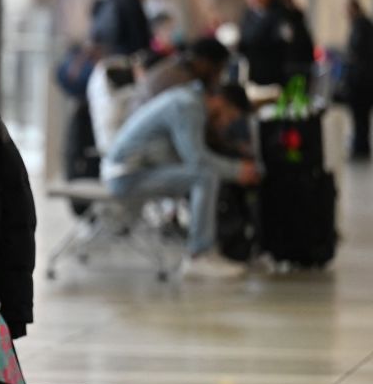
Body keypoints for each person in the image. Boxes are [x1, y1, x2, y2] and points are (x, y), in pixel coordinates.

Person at [102, 82, 260, 279]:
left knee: (204, 175)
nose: (225, 125)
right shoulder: (187, 106)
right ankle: (199, 256)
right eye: (230, 118)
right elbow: (197, 159)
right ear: (221, 102)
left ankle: (205, 250)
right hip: (126, 176)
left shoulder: (185, 99)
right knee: (204, 177)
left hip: (131, 171)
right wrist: (237, 171)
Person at [239, 0, 315, 86]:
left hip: (279, 79)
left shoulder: (284, 15)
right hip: (254, 77)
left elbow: (293, 48)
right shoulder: (249, 15)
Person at [345, 0, 373, 160]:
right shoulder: (367, 25)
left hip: (362, 84)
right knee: (363, 119)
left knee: (361, 118)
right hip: (366, 83)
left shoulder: (361, 27)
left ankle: (361, 148)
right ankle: (362, 147)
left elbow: (359, 56)